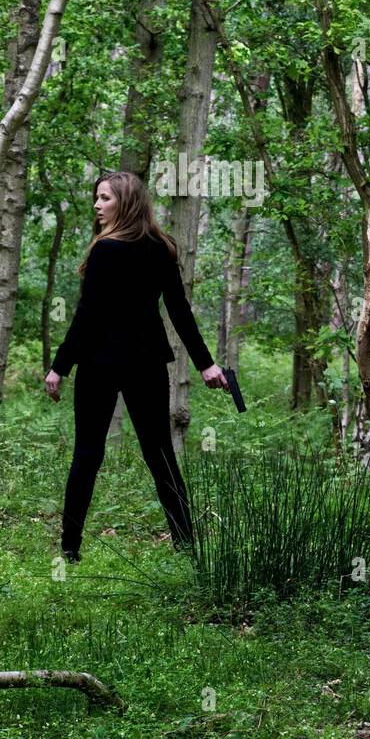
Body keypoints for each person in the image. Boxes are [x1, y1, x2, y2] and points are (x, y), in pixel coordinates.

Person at [44, 169, 229, 561]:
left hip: (102, 362)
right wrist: (205, 364)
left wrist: (59, 366)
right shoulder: (161, 247)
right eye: (97, 197)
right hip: (144, 362)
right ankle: (186, 548)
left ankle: (70, 551)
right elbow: (179, 311)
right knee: (158, 454)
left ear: (126, 202)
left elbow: (87, 315)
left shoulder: (106, 250)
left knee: (90, 455)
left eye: (106, 198)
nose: (97, 204)